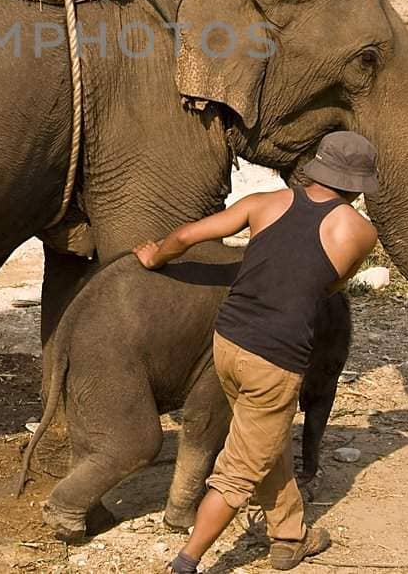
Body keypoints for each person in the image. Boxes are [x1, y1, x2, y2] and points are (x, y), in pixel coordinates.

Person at [134, 132, 380, 573]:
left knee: (264, 440)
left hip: (227, 342)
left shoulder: (267, 202)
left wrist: (155, 257)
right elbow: (332, 283)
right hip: (276, 358)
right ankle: (187, 561)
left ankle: (288, 538)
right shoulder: (360, 231)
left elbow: (190, 234)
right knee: (238, 471)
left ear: (315, 168)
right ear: (359, 184)